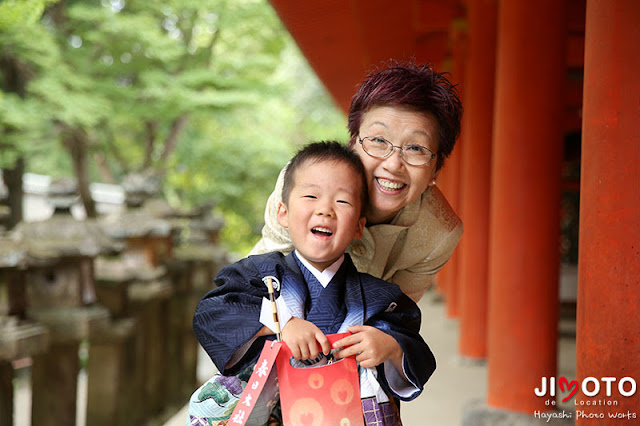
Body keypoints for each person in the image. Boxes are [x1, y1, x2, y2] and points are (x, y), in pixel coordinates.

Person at [189, 141, 435, 426]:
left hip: (347, 411)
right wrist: (281, 324)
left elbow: (414, 348)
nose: (325, 210)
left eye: (342, 201)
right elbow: (211, 312)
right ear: (283, 212)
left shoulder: (379, 296)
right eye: (310, 196)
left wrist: (390, 347)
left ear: (358, 226)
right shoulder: (257, 274)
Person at [251, 60, 464, 303]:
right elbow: (254, 286)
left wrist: (387, 337)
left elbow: (400, 314)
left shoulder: (439, 233)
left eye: (416, 148)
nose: (393, 164)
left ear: (435, 170)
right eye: (379, 141)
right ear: (353, 143)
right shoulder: (304, 185)